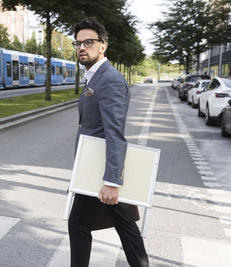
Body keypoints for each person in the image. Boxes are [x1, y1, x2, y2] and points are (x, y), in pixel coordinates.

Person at [68, 18, 149, 267]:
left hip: (101, 170)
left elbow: (115, 133)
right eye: (78, 43)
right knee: (124, 226)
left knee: (80, 224)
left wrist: (112, 181)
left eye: (88, 42)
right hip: (95, 167)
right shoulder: (95, 76)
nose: (82, 47)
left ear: (102, 46)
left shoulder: (109, 79)